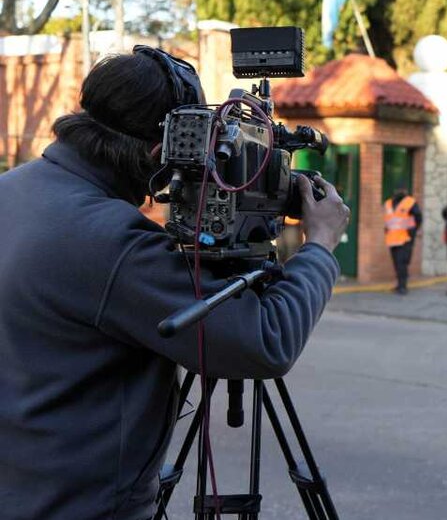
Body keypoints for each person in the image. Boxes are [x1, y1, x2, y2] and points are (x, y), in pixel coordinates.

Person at [0, 49, 351, 519]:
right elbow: (265, 341)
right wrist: (321, 243)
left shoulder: (14, 189)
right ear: (157, 152)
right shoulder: (110, 240)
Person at [384, 187, 423, 294]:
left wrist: (413, 231)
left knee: (402, 263)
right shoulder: (388, 203)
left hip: (405, 239)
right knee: (396, 263)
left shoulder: (410, 203)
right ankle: (399, 285)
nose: (399, 192)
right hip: (392, 239)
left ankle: (403, 286)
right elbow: (388, 220)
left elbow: (418, 218)